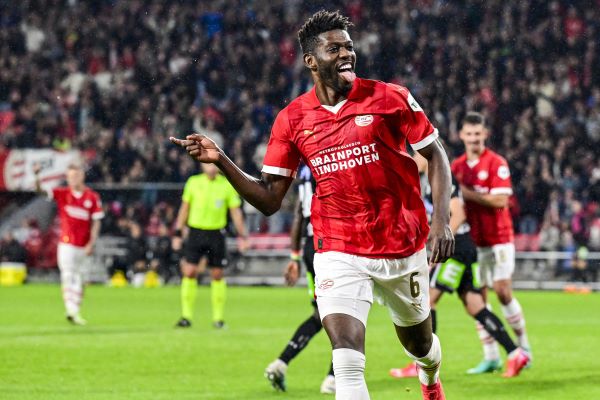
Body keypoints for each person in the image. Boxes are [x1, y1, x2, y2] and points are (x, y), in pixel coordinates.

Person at [171, 11, 454, 399]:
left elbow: (436, 155)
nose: (346, 54)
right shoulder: (292, 120)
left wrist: (441, 221)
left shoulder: (390, 97)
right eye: (334, 49)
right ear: (311, 61)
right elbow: (270, 198)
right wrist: (221, 160)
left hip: (400, 242)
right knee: (347, 358)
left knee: (420, 345)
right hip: (338, 247)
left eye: (349, 47)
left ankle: (430, 378)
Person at [390, 154, 530, 379]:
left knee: (428, 300)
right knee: (475, 306)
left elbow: (459, 214)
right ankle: (515, 353)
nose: (413, 160)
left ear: (425, 155)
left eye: (415, 155)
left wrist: (438, 242)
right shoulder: (430, 179)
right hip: (464, 248)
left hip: (455, 250)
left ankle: (423, 363)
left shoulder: (439, 177)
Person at [451, 112, 532, 373]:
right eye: (469, 134)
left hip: (499, 238)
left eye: (478, 133)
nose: (473, 138)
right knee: (479, 298)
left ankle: (523, 347)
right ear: (462, 135)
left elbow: (501, 201)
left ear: (485, 134)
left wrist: (467, 193)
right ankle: (491, 356)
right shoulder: (456, 167)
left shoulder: (496, 163)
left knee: (503, 291)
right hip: (475, 242)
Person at [264, 164, 335, 394]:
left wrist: (294, 257)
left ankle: (281, 363)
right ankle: (334, 378)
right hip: (332, 244)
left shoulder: (305, 170)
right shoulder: (326, 161)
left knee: (319, 315)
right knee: (348, 312)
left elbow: (298, 215)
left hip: (309, 246)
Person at [172, 162, 248, 329]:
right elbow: (184, 208)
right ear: (202, 166)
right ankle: (186, 316)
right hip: (196, 232)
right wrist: (177, 232)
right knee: (189, 272)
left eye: (213, 165)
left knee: (217, 274)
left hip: (216, 234)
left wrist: (243, 235)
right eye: (207, 165)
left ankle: (218, 319)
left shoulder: (226, 185)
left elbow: (235, 212)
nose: (211, 168)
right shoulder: (193, 182)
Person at [34, 162, 103, 325]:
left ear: (82, 176)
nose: (73, 179)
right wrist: (37, 176)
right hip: (66, 244)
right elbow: (40, 191)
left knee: (81, 278)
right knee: (67, 274)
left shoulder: (92, 197)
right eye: (70, 176)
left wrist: (91, 243)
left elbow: (96, 222)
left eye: (75, 175)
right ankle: (70, 309)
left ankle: (75, 311)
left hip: (84, 245)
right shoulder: (63, 193)